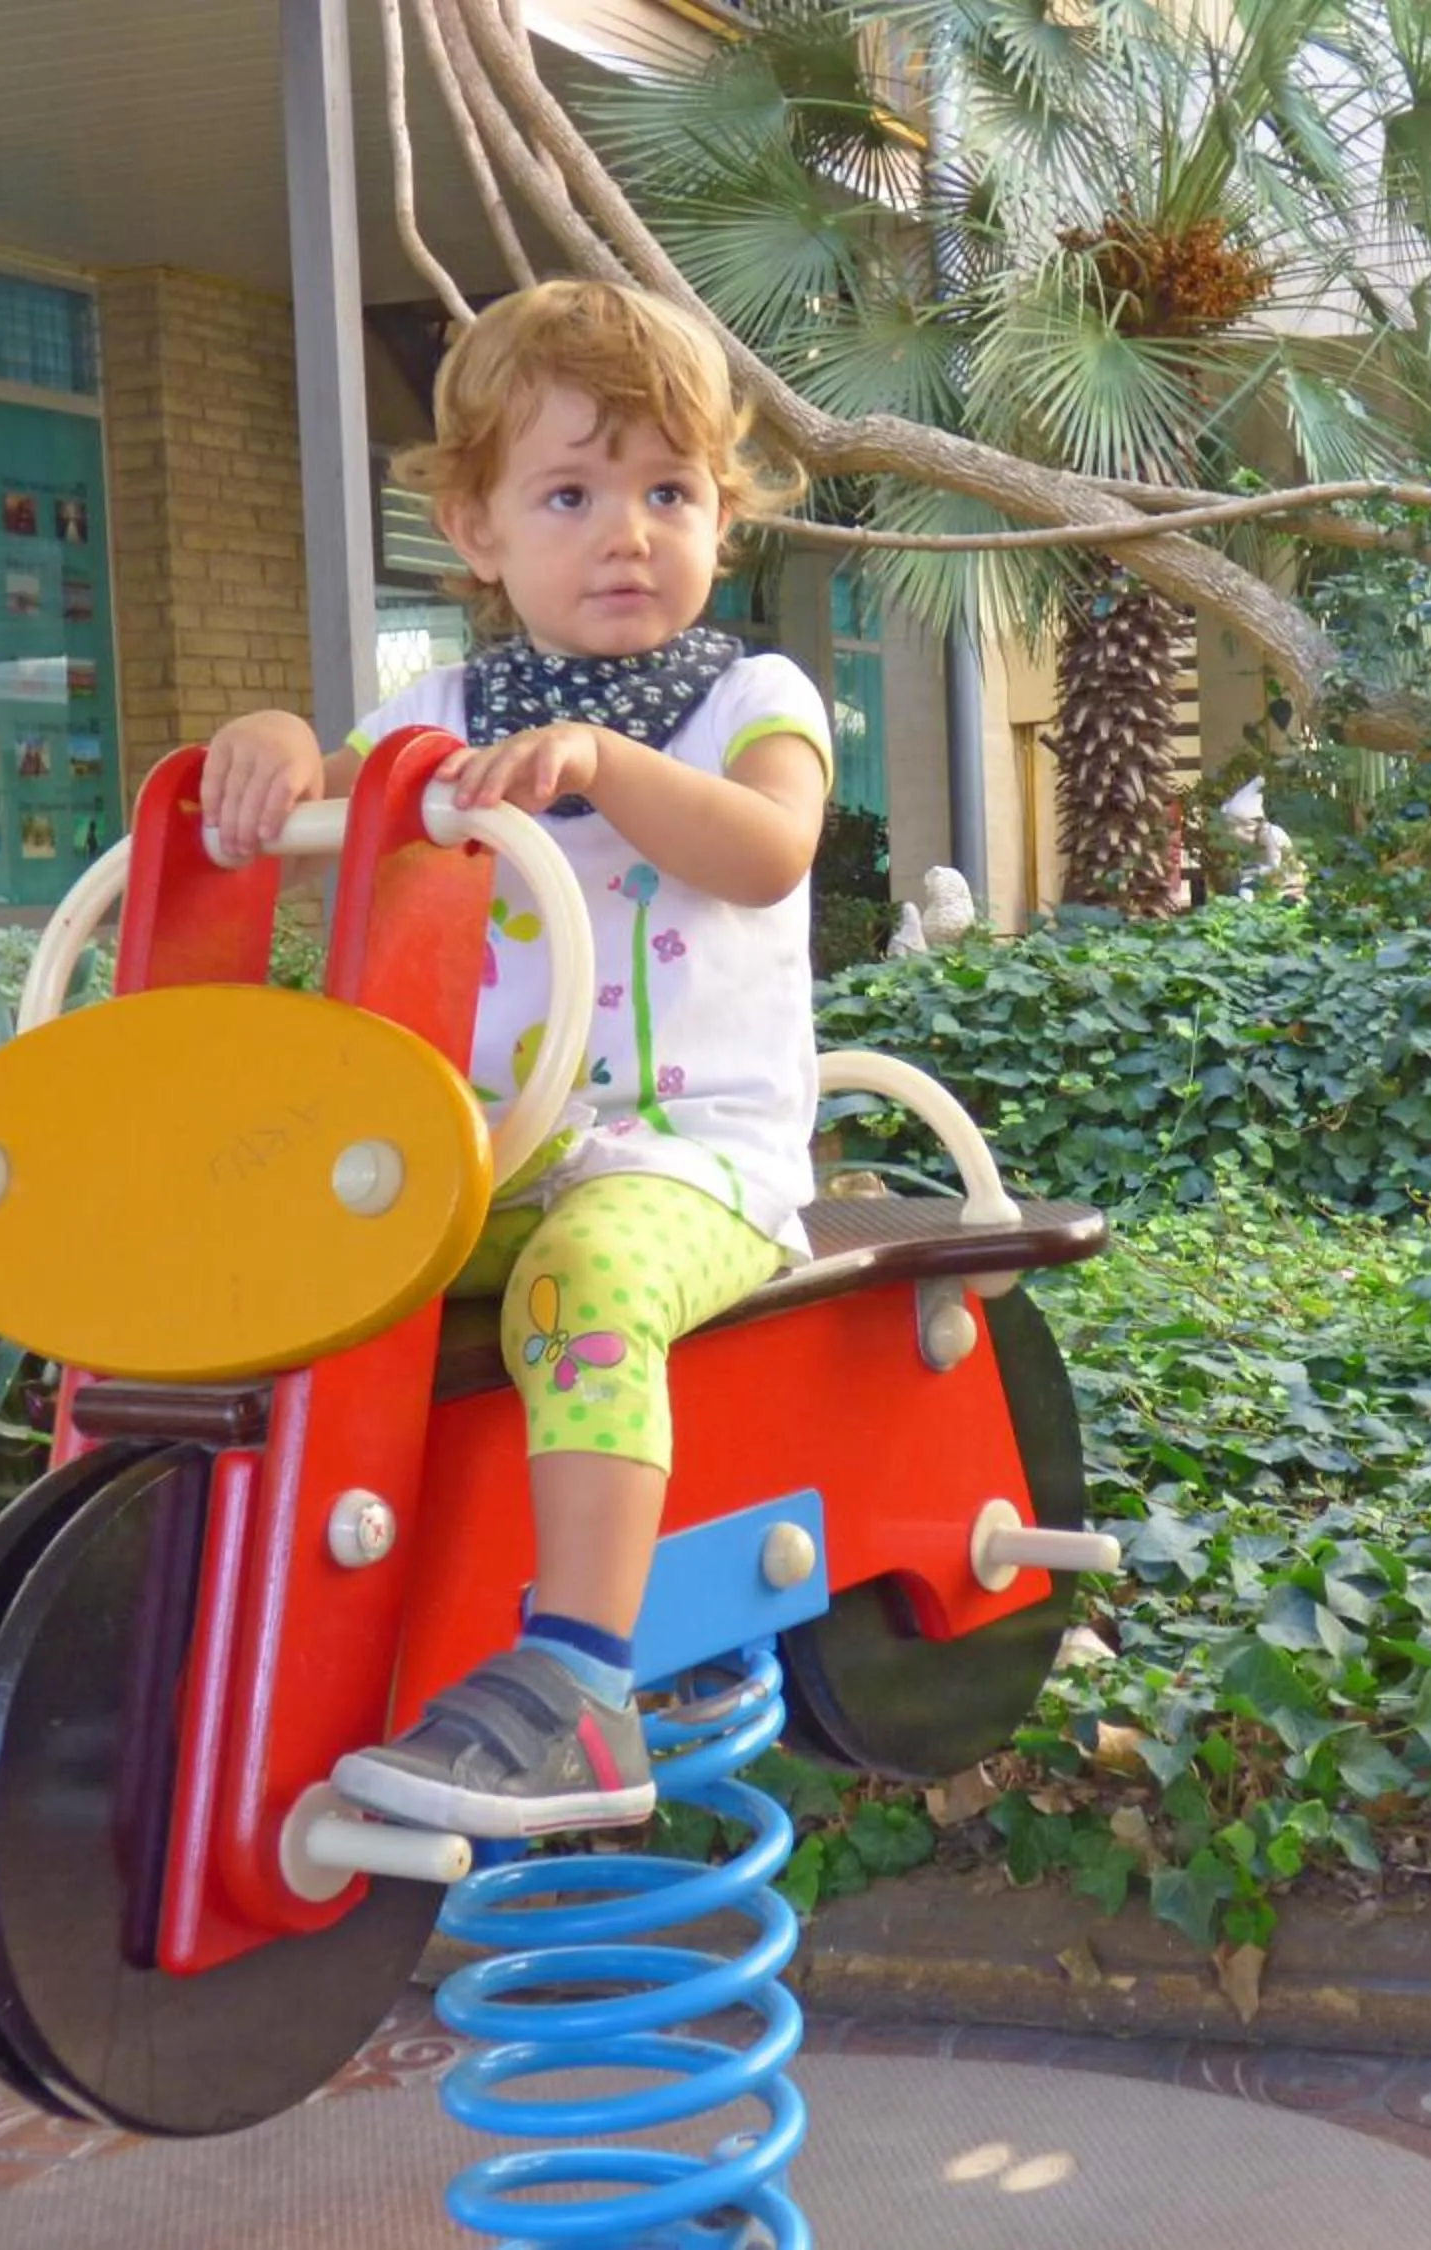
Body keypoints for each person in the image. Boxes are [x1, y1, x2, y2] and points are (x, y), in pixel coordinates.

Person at [198, 280, 829, 1840]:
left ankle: (579, 1691)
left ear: (722, 517)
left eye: (668, 490)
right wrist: (281, 743)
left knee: (586, 1284)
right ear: (476, 531)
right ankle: (249, 1601)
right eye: (572, 492)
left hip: (698, 1164)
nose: (628, 530)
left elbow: (768, 852)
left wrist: (609, 768)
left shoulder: (754, 699)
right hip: (509, 1141)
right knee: (319, 1243)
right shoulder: (445, 713)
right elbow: (326, 816)